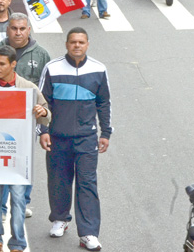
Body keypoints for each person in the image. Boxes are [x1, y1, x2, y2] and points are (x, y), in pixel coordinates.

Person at [38, 28, 112, 251]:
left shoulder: (99, 69)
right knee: (58, 179)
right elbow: (43, 103)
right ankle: (60, 219)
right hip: (58, 138)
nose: (77, 45)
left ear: (87, 44)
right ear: (66, 44)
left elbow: (104, 103)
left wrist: (106, 133)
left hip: (87, 138)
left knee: (87, 183)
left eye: (81, 42)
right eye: (73, 42)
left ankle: (89, 232)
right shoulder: (52, 68)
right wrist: (43, 131)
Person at [0, 45, 51, 252]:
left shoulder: (29, 88)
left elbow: (48, 114)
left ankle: (18, 242)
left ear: (13, 64)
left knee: (19, 200)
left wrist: (41, 110)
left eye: (2, 64)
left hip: (20, 155)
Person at [0, 13, 50, 85]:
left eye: (22, 29)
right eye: (14, 28)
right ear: (7, 30)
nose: (18, 33)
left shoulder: (42, 55)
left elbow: (46, 87)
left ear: (28, 30)